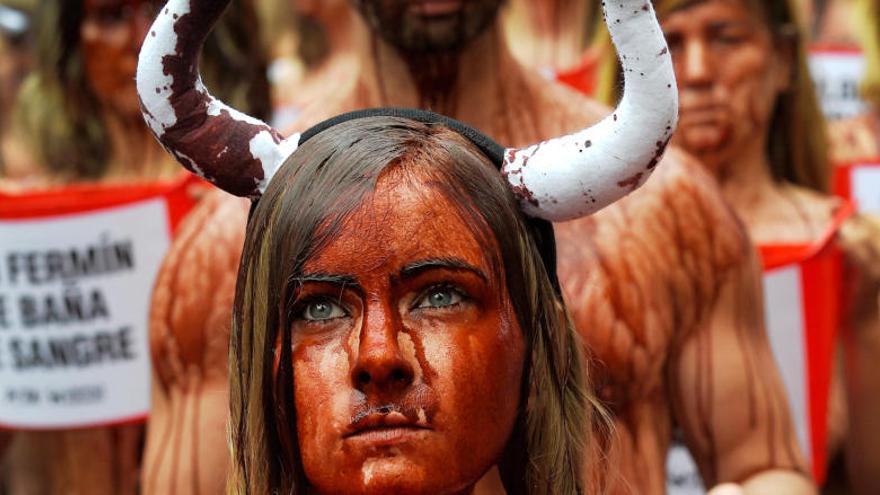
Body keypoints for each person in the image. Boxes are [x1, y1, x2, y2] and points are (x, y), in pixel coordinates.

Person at [145, 0, 813, 493]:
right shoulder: (222, 241)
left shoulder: (667, 204)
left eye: (440, 294)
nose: (379, 351)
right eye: (321, 306)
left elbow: (763, 467)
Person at [0, 0, 269, 494]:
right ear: (74, 46)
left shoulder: (255, 194)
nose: (143, 38)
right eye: (110, 16)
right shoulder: (26, 217)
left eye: (161, 11)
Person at [656, 0, 880, 492]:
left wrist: (867, 321)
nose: (696, 72)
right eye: (670, 43)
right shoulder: (593, 241)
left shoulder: (845, 246)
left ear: (782, 60)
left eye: (726, 38)